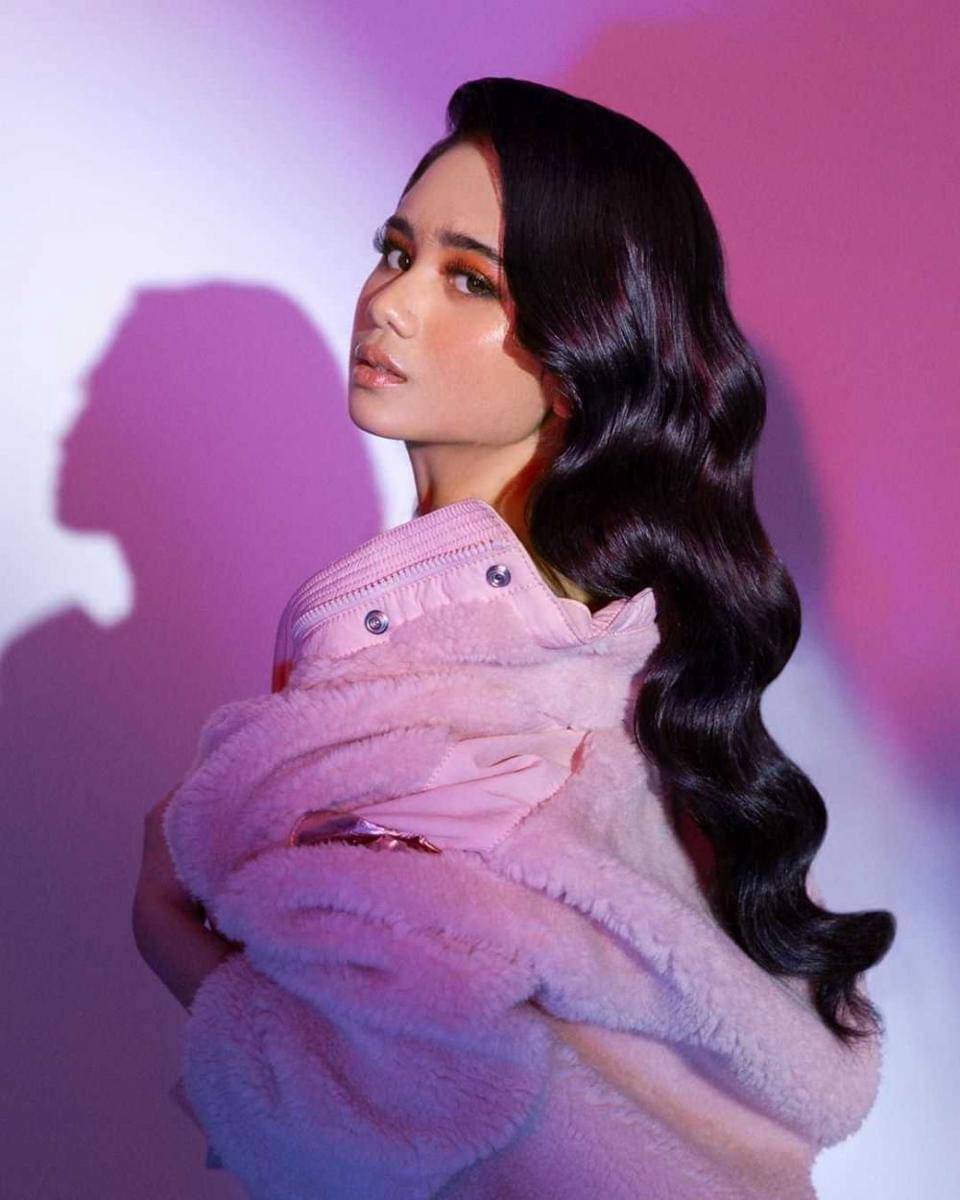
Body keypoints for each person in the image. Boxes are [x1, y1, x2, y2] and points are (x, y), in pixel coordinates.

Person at [133, 76, 895, 1198]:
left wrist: (165, 922)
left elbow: (369, 1104)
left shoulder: (466, 679)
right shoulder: (620, 658)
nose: (390, 304)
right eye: (396, 252)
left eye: (469, 279)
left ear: (583, 352)